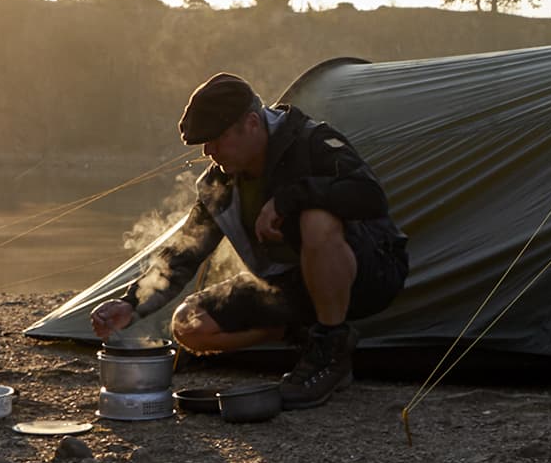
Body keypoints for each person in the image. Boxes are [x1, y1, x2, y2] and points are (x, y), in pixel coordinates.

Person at [90, 73, 407, 408]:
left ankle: (330, 350)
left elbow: (370, 196)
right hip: (288, 285)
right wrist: (131, 303)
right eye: (204, 144)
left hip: (369, 274)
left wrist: (290, 199)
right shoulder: (219, 184)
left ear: (252, 124)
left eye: (215, 140)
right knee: (187, 325)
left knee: (316, 218)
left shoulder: (312, 142)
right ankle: (302, 335)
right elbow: (184, 251)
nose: (208, 152)